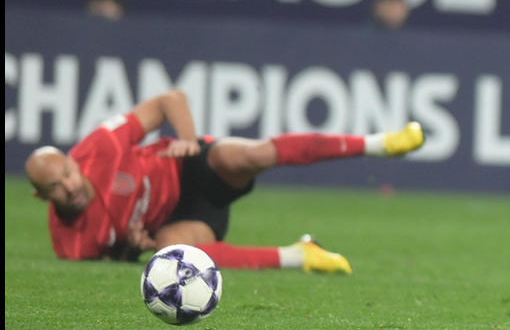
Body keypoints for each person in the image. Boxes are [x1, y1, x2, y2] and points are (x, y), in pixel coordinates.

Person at [26, 88, 426, 273]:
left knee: (252, 155)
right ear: (41, 197)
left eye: (67, 174)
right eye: (56, 187)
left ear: (73, 162)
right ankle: (300, 256)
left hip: (188, 166)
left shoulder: (100, 148)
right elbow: (116, 259)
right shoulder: (72, 246)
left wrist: (187, 139)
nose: (70, 186)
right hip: (182, 220)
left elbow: (169, 100)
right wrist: (133, 248)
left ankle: (380, 143)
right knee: (173, 251)